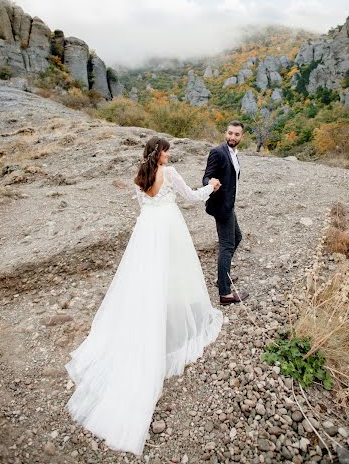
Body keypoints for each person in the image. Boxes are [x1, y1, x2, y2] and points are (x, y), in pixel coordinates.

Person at [65, 136, 223, 456]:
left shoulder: (140, 175)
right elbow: (192, 197)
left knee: (145, 277)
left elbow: (143, 206)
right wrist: (212, 187)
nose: (170, 154)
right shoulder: (171, 172)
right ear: (159, 152)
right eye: (167, 150)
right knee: (175, 271)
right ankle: (170, 318)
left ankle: (150, 311)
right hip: (167, 228)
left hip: (147, 230)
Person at [203, 121, 249, 305]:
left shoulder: (233, 153)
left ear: (241, 137)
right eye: (230, 133)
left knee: (237, 238)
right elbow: (207, 175)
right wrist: (210, 183)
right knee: (227, 246)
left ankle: (223, 277)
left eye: (237, 134)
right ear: (225, 133)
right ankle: (225, 293)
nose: (232, 137)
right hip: (221, 206)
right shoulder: (218, 152)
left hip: (228, 205)